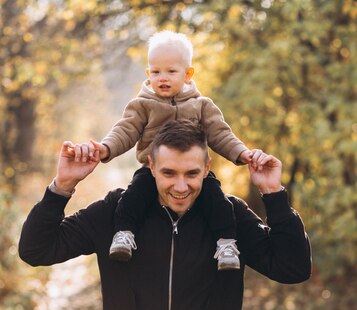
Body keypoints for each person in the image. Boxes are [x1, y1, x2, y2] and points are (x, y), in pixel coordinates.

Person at [19, 120, 311, 310]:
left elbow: (293, 268)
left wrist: (274, 194)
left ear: (207, 168)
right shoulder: (116, 212)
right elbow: (36, 250)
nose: (181, 186)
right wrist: (63, 186)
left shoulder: (229, 218)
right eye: (169, 173)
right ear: (151, 166)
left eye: (192, 173)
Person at [88, 30, 252, 270]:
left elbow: (220, 133)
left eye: (171, 71)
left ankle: (226, 244)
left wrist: (241, 153)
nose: (162, 77)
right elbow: (125, 130)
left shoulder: (202, 105)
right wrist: (105, 148)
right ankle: (124, 234)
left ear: (187, 74)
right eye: (155, 72)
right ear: (148, 74)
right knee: (133, 196)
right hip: (153, 171)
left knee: (218, 200)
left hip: (192, 171)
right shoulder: (143, 105)